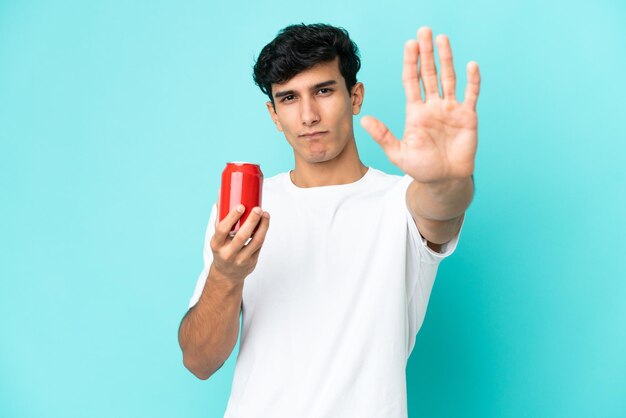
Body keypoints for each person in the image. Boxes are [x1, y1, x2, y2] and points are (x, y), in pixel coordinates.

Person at [178, 23, 480, 418]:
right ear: (273, 114)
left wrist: (447, 178)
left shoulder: (401, 202)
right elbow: (200, 362)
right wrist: (226, 274)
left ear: (355, 96)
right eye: (288, 98)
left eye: (323, 90)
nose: (308, 115)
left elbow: (443, 207)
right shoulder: (243, 214)